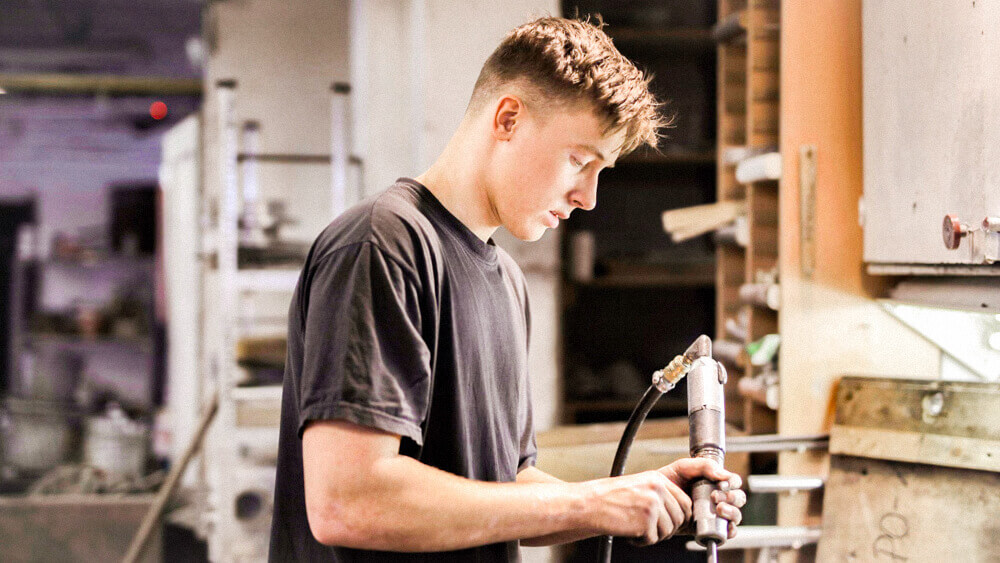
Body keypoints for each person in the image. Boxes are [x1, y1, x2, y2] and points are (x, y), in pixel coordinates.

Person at [268, 16, 746, 562]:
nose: (588, 197)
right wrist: (590, 504)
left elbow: (503, 490)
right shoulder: (383, 245)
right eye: (578, 160)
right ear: (508, 117)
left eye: (601, 171)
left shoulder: (507, 284)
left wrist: (646, 498)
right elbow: (348, 502)